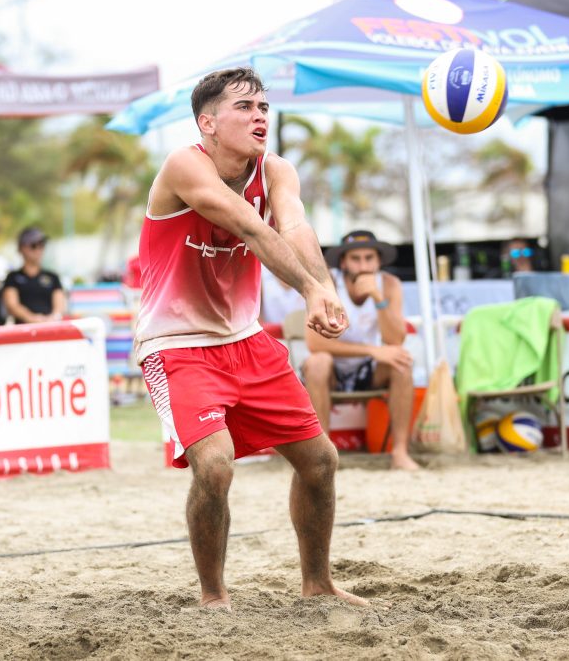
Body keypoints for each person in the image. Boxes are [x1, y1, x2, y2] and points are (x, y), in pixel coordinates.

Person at [133, 67, 363, 611]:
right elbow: (252, 229)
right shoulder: (185, 164)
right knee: (214, 465)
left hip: (244, 338)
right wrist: (309, 289)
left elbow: (295, 228)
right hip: (177, 343)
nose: (261, 116)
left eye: (264, 106)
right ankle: (214, 596)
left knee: (321, 462)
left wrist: (326, 290)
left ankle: (318, 583)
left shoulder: (276, 169)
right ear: (208, 122)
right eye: (245, 107)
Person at [301, 230, 419, 471]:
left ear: (379, 261)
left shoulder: (389, 284)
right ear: (343, 262)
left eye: (369, 258)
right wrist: (372, 350)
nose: (363, 264)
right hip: (332, 368)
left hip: (368, 370)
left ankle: (400, 452)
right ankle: (322, 456)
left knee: (402, 363)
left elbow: (395, 338)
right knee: (317, 362)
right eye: (356, 258)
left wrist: (377, 296)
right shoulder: (326, 284)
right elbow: (314, 343)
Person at [2, 227, 66, 324]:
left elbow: (59, 305)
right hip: (24, 332)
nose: (38, 249)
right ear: (21, 248)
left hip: (50, 328)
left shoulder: (53, 277)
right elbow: (12, 305)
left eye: (42, 245)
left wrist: (53, 318)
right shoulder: (13, 278)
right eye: (33, 245)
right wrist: (32, 318)